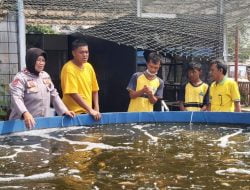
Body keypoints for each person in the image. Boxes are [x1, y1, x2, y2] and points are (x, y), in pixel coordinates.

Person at [9, 48, 75, 129]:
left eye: (43, 60)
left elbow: (54, 95)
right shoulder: (20, 78)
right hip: (21, 125)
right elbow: (16, 98)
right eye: (38, 60)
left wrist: (64, 111)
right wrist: (25, 113)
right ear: (31, 61)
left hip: (41, 124)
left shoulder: (45, 76)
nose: (41, 63)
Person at [60, 39, 101, 120]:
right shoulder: (68, 68)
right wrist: (90, 109)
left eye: (86, 52)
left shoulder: (89, 66)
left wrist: (96, 107)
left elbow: (95, 89)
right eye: (81, 52)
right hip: (72, 114)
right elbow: (73, 93)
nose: (85, 55)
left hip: (88, 112)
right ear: (73, 53)